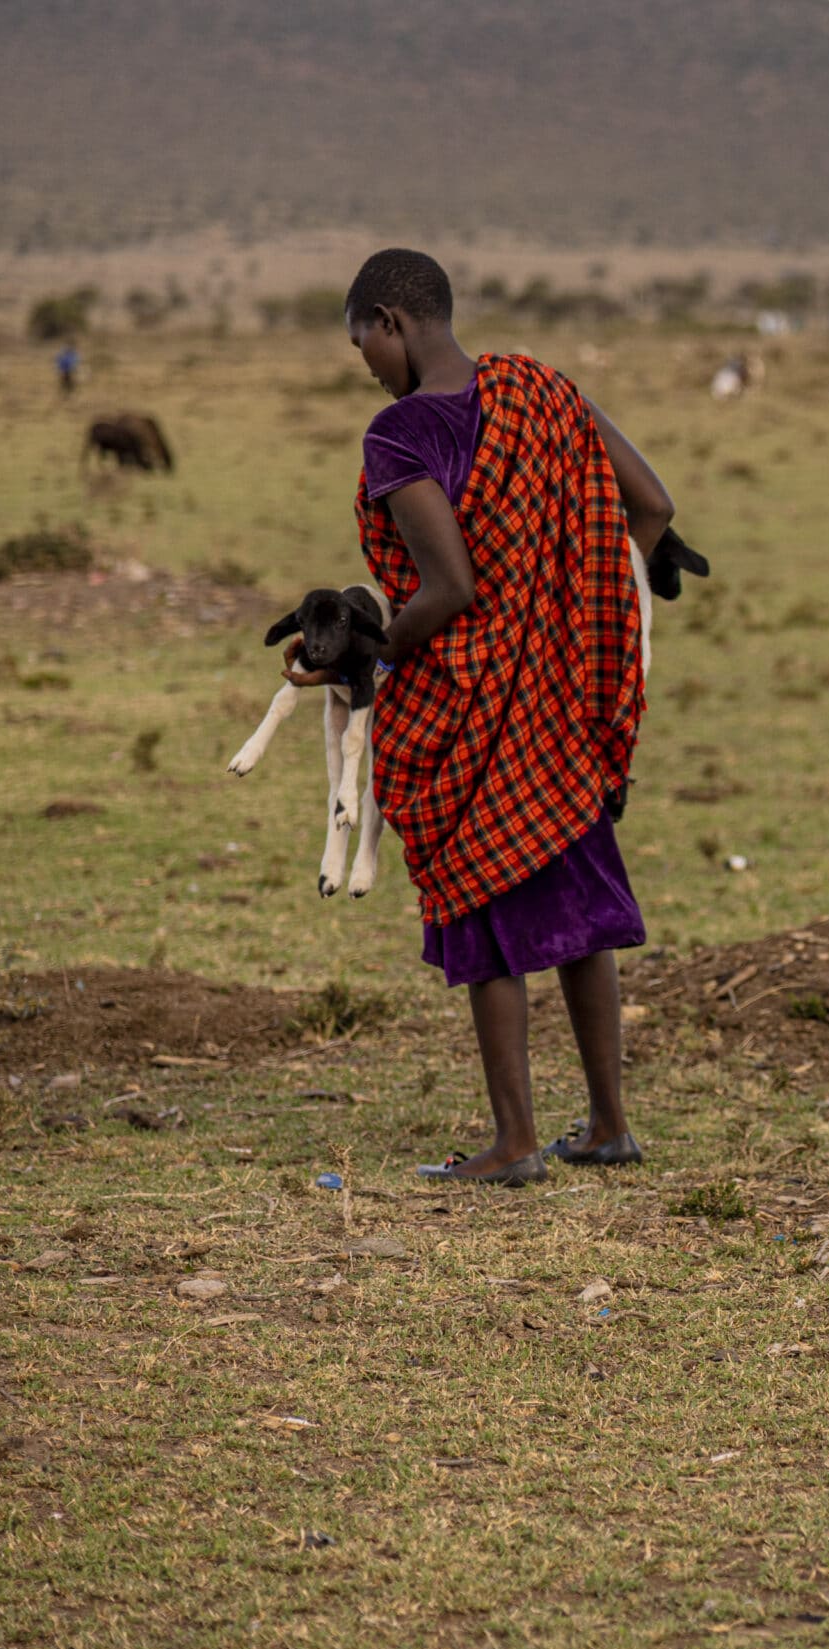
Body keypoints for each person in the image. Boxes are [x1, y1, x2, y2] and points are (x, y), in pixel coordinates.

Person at [289, 247, 671, 1184]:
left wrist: (367, 654)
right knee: (577, 913)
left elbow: (450, 586)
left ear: (390, 321)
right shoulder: (544, 390)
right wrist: (584, 616)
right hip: (562, 709)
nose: (367, 370)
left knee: (482, 910)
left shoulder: (400, 436)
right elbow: (652, 506)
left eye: (362, 347)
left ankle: (512, 1145)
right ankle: (608, 1126)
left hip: (470, 712)